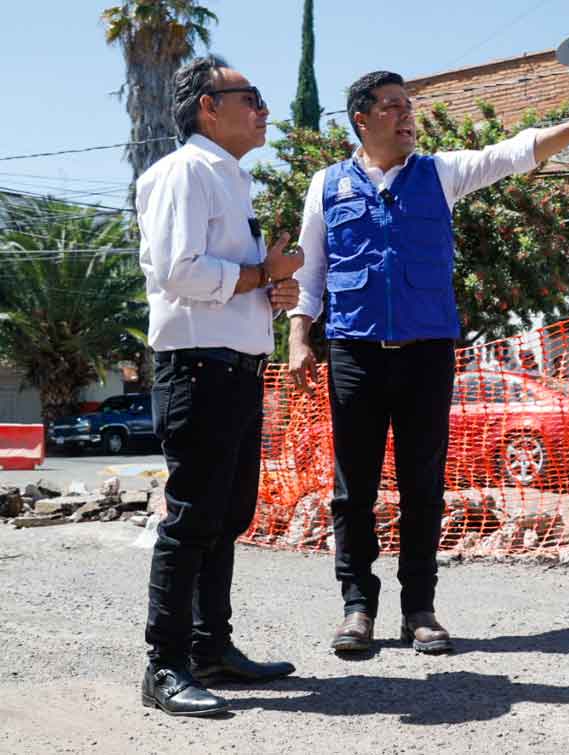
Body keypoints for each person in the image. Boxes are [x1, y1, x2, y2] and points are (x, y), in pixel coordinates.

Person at [287, 70, 569, 654]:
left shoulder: (440, 173)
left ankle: (419, 609)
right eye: (393, 106)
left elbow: (514, 152)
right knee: (354, 488)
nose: (407, 115)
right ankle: (357, 607)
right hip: (354, 351)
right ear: (362, 119)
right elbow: (311, 270)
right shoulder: (327, 185)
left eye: (409, 105)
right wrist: (299, 337)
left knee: (422, 485)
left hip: (427, 354)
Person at [136, 55, 301, 716]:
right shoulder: (185, 172)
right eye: (250, 97)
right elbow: (180, 272)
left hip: (234, 369)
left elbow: (233, 279)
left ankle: (210, 648)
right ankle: (165, 665)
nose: (263, 110)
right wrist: (261, 276)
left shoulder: (229, 178)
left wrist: (273, 291)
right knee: (191, 521)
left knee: (226, 517)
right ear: (209, 106)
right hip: (198, 368)